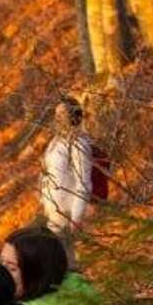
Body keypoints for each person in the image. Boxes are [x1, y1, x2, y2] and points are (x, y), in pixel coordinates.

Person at [40, 96, 96, 236]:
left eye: (62, 114)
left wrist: (76, 218)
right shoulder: (55, 142)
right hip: (54, 215)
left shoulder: (78, 143)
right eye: (56, 114)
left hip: (68, 217)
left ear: (73, 115)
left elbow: (84, 183)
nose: (57, 118)